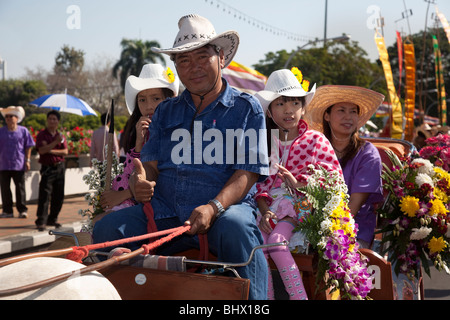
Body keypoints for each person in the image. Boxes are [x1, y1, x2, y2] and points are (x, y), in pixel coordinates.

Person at [92, 14, 269, 299]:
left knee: (237, 227)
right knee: (107, 228)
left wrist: (212, 207)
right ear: (176, 66)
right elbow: (149, 166)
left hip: (222, 215)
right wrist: (141, 183)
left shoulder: (247, 108)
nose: (194, 67)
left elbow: (246, 173)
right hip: (164, 214)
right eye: (184, 60)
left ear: (221, 58)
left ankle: (256, 302)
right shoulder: (165, 111)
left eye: (202, 57)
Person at [253, 70, 342, 300]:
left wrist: (299, 184)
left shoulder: (316, 140)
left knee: (275, 242)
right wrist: (266, 213)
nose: (288, 109)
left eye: (294, 102)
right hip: (268, 209)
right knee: (257, 246)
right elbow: (257, 185)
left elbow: (333, 180)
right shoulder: (264, 143)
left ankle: (299, 297)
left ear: (303, 108)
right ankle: (267, 299)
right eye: (280, 103)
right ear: (270, 112)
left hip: (301, 208)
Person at [304, 85, 385, 248]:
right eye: (341, 110)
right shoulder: (312, 148)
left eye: (353, 112)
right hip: (309, 227)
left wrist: (328, 233)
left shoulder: (368, 154)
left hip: (352, 229)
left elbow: (354, 204)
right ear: (327, 116)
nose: (348, 117)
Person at [98, 63, 179, 215]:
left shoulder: (177, 132)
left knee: (104, 224)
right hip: (133, 202)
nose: (148, 106)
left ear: (170, 99)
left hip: (161, 207)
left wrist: (123, 195)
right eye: (142, 100)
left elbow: (164, 177)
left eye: (156, 98)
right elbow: (133, 170)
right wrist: (138, 144)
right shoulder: (142, 131)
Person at [35, 110, 68, 231]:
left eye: (55, 119)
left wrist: (50, 149)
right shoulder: (42, 135)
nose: (52, 121)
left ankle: (52, 219)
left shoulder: (61, 136)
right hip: (47, 168)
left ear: (58, 121)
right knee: (44, 195)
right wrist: (55, 143)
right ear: (47, 120)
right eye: (50, 119)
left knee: (58, 196)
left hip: (59, 167)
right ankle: (41, 221)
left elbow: (65, 152)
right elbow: (41, 151)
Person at [0, 106, 35, 218]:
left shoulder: (23, 131)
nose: (9, 118)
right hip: (3, 164)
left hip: (18, 164)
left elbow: (28, 146)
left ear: (17, 118)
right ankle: (7, 211)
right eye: (7, 116)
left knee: (20, 188)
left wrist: (28, 160)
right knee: (5, 189)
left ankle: (22, 210)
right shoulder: (1, 131)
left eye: (11, 116)